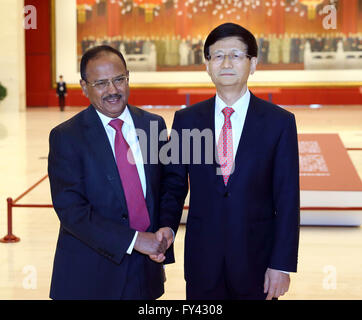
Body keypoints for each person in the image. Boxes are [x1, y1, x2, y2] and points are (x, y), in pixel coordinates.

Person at [159, 23, 300, 300]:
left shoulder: (279, 122)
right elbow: (174, 186)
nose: (226, 62)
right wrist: (165, 229)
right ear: (207, 65)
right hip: (203, 264)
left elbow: (287, 198)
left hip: (257, 263)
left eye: (236, 55)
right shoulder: (187, 121)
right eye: (217, 55)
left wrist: (281, 264)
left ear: (253, 64)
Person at [48, 45, 173, 299]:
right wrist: (134, 240)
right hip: (90, 276)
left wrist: (167, 229)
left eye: (119, 80)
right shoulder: (66, 137)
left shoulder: (153, 125)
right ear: (84, 87)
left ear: (128, 78)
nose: (113, 90)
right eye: (101, 83)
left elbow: (168, 186)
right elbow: (72, 211)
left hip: (145, 273)